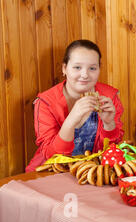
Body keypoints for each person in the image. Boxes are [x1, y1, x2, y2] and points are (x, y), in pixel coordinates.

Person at [26, 40, 124, 172]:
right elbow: (50, 155)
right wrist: (71, 120)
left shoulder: (109, 97)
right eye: (77, 67)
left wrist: (109, 124)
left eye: (92, 68)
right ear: (64, 68)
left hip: (92, 172)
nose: (85, 74)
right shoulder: (45, 102)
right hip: (51, 172)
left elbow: (112, 152)